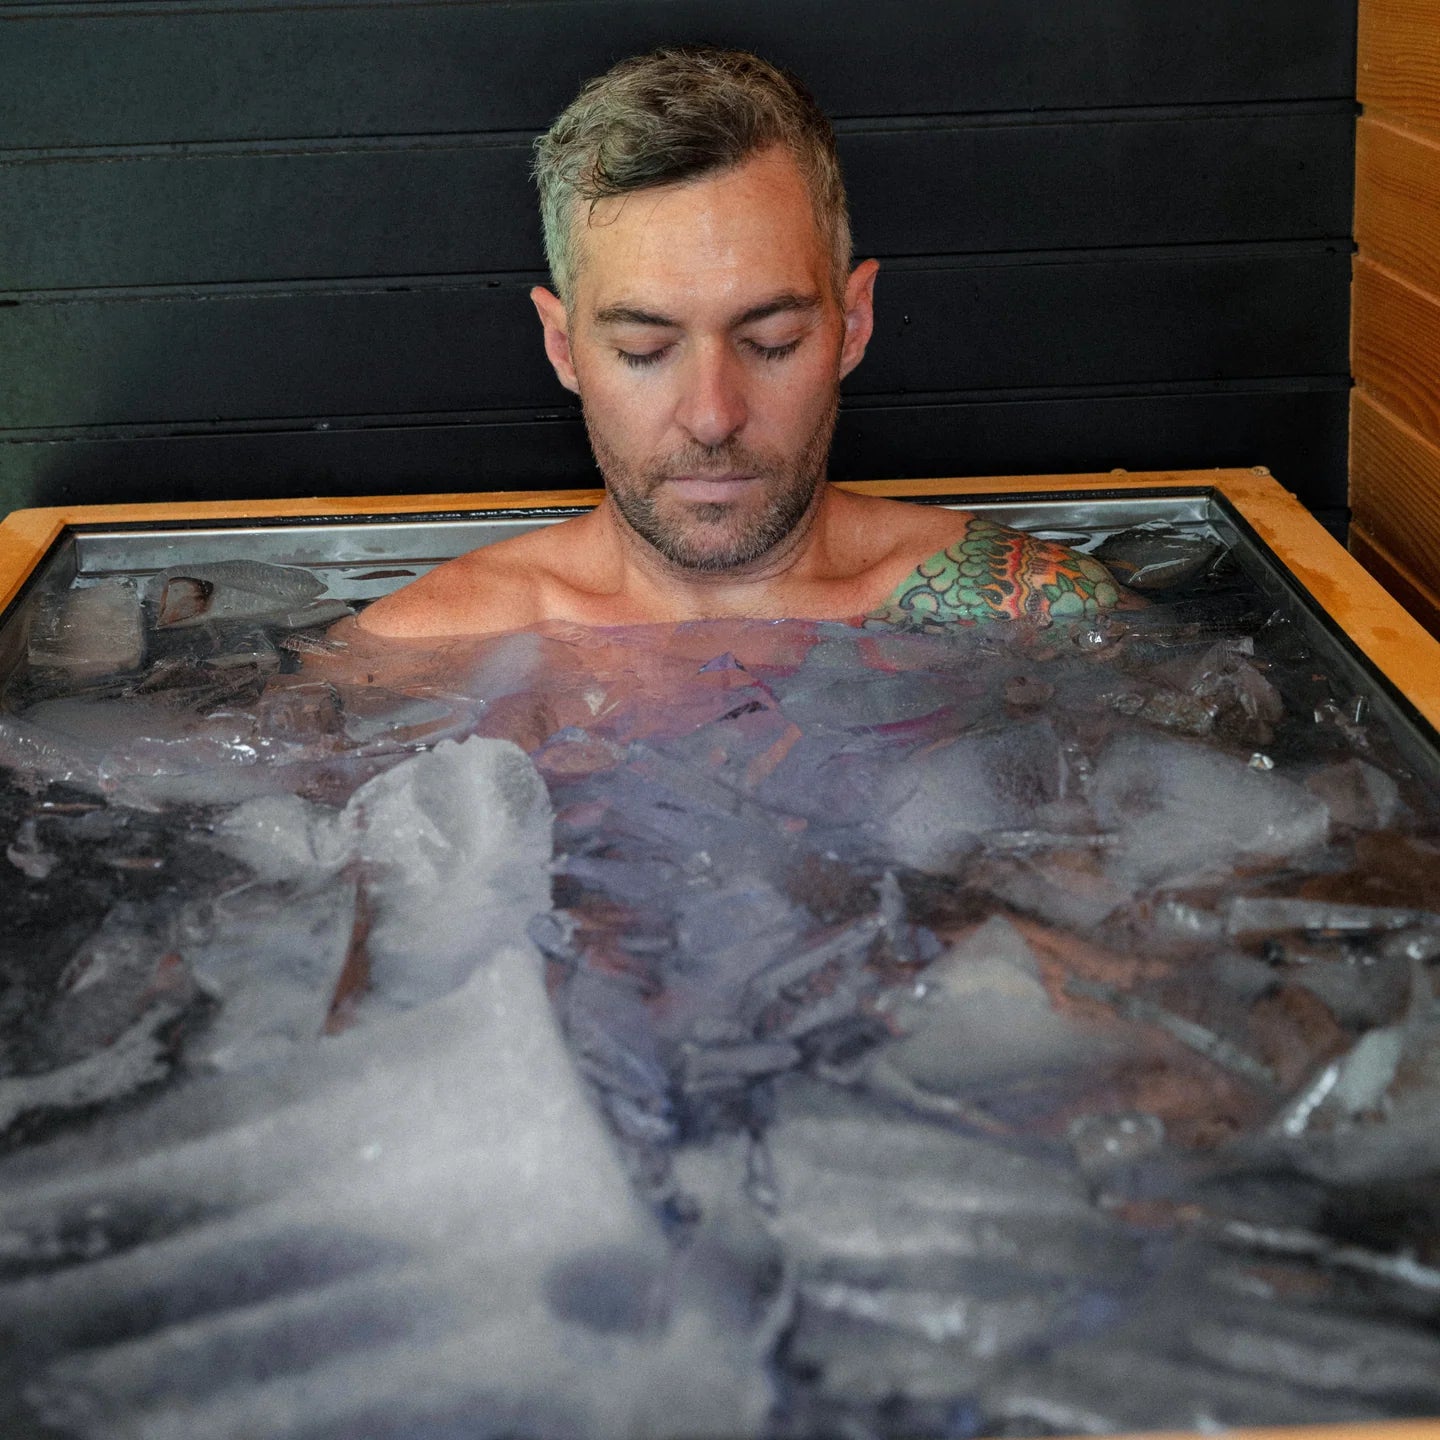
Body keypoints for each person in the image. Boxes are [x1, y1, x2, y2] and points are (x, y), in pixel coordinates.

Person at [359, 46, 1121, 640]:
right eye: (644, 350)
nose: (713, 417)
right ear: (563, 349)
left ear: (853, 326)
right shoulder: (418, 649)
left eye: (771, 341)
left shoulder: (1037, 615)